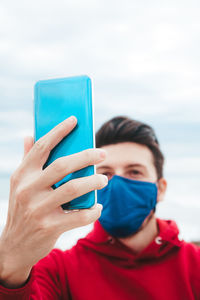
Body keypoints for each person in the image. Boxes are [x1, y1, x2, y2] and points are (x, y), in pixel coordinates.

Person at [0, 115, 199, 300]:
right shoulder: (59, 270)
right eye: (106, 173)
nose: (118, 183)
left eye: (134, 171)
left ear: (161, 189)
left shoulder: (195, 265)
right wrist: (11, 266)